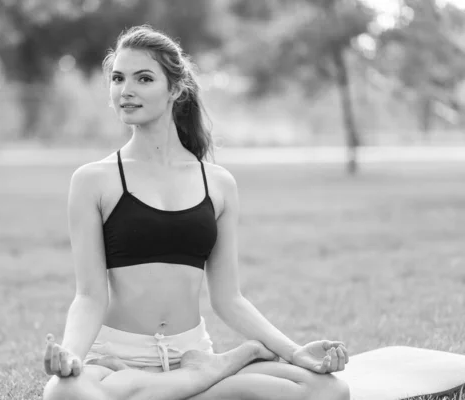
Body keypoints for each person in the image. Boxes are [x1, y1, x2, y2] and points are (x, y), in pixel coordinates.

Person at [42, 25, 350, 400]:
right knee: (62, 393)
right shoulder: (93, 180)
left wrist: (294, 352)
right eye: (118, 79)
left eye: (144, 78)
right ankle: (207, 377)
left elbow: (228, 298)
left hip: (188, 352)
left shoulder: (218, 184)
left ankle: (181, 382)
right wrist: (72, 357)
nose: (126, 90)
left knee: (326, 390)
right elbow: (90, 296)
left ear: (175, 89)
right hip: (117, 358)